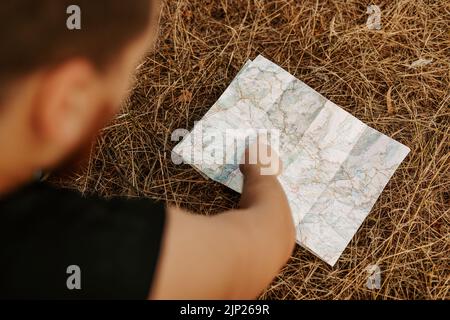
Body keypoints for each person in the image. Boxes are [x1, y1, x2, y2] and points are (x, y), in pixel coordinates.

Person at [0, 0, 295, 299]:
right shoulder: (72, 254)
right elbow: (262, 245)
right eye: (129, 72)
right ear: (66, 101)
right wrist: (262, 174)